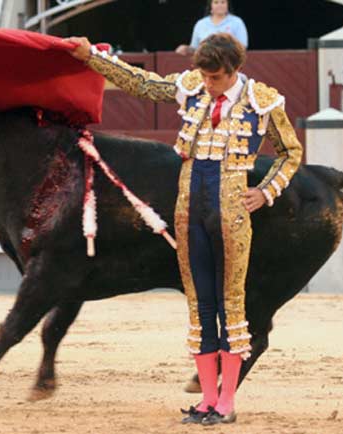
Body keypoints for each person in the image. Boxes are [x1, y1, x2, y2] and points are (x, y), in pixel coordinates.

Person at [66, 32, 302, 425]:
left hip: (230, 214)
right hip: (189, 210)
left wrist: (265, 191)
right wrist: (92, 57)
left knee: (232, 305)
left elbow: (290, 152)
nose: (207, 85)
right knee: (200, 304)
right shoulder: (192, 88)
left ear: (234, 71)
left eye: (215, 79)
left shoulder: (263, 101)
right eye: (204, 77)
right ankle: (207, 400)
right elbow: (141, 83)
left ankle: (226, 403)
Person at [176, 0, 248, 56]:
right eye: (216, 2)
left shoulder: (237, 22)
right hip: (205, 61)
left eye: (223, 2)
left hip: (229, 62)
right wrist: (186, 49)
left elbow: (242, 46)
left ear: (227, 5)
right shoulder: (201, 24)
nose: (220, 5)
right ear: (211, 6)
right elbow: (195, 48)